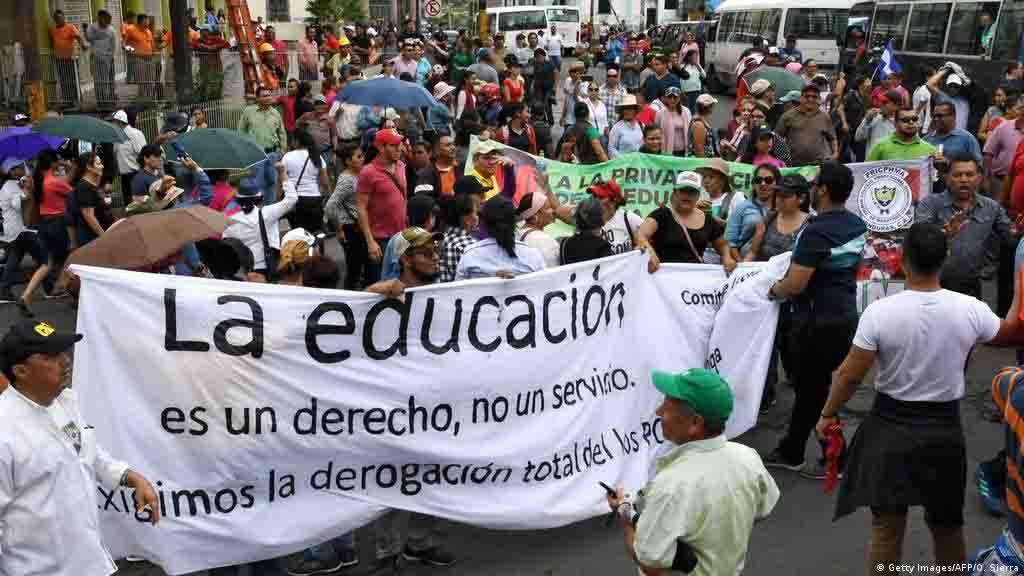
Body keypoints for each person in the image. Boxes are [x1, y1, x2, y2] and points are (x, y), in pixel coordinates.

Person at [816, 222, 1024, 572]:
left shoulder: (880, 312)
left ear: (903, 260)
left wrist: (827, 414)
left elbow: (850, 374)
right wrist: (1019, 287)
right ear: (944, 260)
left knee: (887, 526)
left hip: (889, 427)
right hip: (943, 431)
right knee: (946, 526)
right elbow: (1010, 333)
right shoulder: (969, 309)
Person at [0, 319, 161, 575]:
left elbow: (88, 454)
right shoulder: (5, 431)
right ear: (20, 371)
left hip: (92, 563)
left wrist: (130, 477)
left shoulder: (64, 403)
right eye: (50, 356)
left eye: (64, 351)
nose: (65, 361)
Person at [606, 368, 779, 575]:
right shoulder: (748, 458)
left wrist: (626, 518)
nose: (659, 412)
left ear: (695, 423)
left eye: (667, 407)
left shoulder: (671, 486)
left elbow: (650, 564)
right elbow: (762, 508)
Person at [765, 163, 867, 479]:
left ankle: (833, 457)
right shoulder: (857, 224)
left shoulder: (815, 231)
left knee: (813, 391)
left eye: (814, 184)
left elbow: (795, 285)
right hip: (845, 317)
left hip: (814, 322)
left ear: (821, 190)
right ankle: (792, 449)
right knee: (816, 388)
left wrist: (773, 290)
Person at [746, 174, 810, 410]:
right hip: (767, 296)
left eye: (786, 195)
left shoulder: (810, 225)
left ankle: (797, 379)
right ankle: (764, 395)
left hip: (794, 297)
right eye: (778, 194)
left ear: (801, 198)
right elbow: (754, 251)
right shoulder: (769, 219)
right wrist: (740, 276)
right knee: (767, 347)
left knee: (791, 345)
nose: (780, 198)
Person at [916, 154, 1018, 299]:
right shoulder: (930, 204)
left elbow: (1009, 237)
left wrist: (1018, 233)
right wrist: (943, 234)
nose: (964, 179)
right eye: (957, 175)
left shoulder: (991, 207)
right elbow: (919, 239)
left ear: (979, 177)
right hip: (934, 285)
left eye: (969, 174)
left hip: (974, 286)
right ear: (947, 177)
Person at [636, 171, 736, 273]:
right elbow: (640, 234)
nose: (687, 195)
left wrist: (727, 257)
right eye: (683, 190)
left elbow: (723, 245)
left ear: (698, 195)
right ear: (675, 192)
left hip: (693, 281)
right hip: (662, 279)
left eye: (691, 192)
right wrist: (649, 251)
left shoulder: (707, 219)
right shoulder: (661, 214)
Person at [222, 165, 298, 280]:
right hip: (266, 266)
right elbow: (292, 198)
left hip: (243, 270)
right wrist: (282, 173)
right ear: (259, 198)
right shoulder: (266, 213)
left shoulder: (228, 220)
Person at [358, 129, 408, 285]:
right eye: (394, 145)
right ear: (381, 147)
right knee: (380, 285)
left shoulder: (400, 166)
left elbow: (403, 199)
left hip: (401, 237)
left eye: (399, 144)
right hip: (380, 240)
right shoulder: (368, 172)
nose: (399, 148)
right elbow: (361, 208)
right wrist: (370, 241)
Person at [456, 196, 545, 280]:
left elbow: (458, 291)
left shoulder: (471, 255)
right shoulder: (533, 255)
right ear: (514, 222)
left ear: (484, 223)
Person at [0, 160, 45, 303]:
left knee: (14, 259)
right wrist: (26, 191)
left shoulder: (13, 184)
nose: (23, 169)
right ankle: (51, 288)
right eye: (20, 167)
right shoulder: (9, 186)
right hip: (19, 230)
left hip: (17, 230)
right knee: (45, 259)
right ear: (11, 170)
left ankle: (4, 291)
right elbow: (17, 204)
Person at [238, 87, 288, 204]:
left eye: (269, 95)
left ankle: (268, 208)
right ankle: (256, 211)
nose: (268, 98)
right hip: (256, 154)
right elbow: (241, 131)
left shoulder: (275, 113)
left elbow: (282, 132)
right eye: (264, 96)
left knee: (272, 181)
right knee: (257, 183)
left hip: (273, 153)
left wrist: (282, 149)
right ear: (257, 98)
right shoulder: (248, 111)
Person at [775, 83, 838, 166]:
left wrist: (835, 154)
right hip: (794, 164)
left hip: (819, 165)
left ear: (819, 99)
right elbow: (776, 138)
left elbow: (832, 138)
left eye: (814, 97)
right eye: (807, 96)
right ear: (801, 98)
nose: (810, 99)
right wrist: (781, 158)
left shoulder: (824, 117)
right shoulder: (788, 116)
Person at [726, 163, 777, 261]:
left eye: (768, 180)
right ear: (753, 184)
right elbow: (730, 242)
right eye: (758, 180)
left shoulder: (783, 209)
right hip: (745, 263)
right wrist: (742, 266)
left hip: (774, 266)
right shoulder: (743, 207)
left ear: (777, 184)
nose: (763, 184)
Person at [283, 129, 329, 234]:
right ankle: (318, 250)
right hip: (314, 199)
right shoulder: (317, 156)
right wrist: (323, 195)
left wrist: (278, 199)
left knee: (299, 234)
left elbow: (282, 180)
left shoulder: (287, 157)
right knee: (316, 232)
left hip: (295, 200)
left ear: (297, 141)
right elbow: (325, 182)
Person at [66, 151, 113, 248]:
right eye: (98, 164)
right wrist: (104, 236)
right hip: (92, 239)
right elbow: (89, 216)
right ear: (89, 167)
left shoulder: (91, 185)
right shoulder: (84, 187)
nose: (102, 166)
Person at [867, 107, 938, 161]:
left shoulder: (930, 150)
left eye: (914, 119)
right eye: (905, 120)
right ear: (895, 123)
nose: (911, 122)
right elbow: (865, 171)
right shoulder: (880, 146)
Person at [49, 9, 88, 108]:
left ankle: (76, 99)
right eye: (58, 18)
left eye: (61, 18)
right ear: (55, 20)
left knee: (73, 79)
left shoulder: (70, 27)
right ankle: (67, 100)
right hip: (59, 59)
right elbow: (52, 42)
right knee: (63, 80)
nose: (60, 20)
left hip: (70, 58)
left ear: (64, 18)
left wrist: (83, 45)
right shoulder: (53, 30)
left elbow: (78, 37)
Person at [109, 110, 146, 202]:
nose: (111, 124)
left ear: (119, 121)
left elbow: (144, 154)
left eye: (113, 121)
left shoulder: (135, 134)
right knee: (128, 205)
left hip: (136, 175)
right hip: (124, 177)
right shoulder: (116, 136)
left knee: (138, 205)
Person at [855, 90, 901, 156]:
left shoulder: (903, 122)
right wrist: (867, 121)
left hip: (892, 163)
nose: (881, 104)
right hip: (874, 163)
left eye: (885, 102)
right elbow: (858, 137)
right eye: (881, 101)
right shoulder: (873, 118)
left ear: (896, 105)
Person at [85, 10, 115, 109]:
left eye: (109, 19)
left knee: (106, 81)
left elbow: (113, 45)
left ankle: (107, 101)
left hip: (107, 60)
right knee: (98, 81)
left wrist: (110, 57)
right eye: (106, 19)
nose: (108, 21)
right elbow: (88, 38)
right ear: (100, 18)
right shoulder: (92, 27)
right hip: (96, 59)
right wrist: (85, 30)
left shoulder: (111, 30)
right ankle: (100, 102)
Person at [927, 68, 971, 132]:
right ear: (947, 86)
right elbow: (929, 84)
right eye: (951, 85)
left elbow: (970, 83)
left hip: (961, 137)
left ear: (960, 87)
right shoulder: (942, 97)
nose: (953, 88)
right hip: (945, 135)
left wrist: (961, 74)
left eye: (956, 86)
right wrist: (946, 69)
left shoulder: (965, 100)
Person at [655, 86, 691, 157]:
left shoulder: (686, 111)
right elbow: (656, 131)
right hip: (666, 150)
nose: (672, 100)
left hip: (684, 150)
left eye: (675, 97)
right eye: (669, 97)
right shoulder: (660, 113)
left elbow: (690, 129)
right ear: (665, 98)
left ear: (679, 98)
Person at [687, 93, 718, 158]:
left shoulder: (702, 122)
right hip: (701, 164)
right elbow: (699, 150)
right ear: (708, 107)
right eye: (712, 105)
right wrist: (703, 167)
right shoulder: (699, 125)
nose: (713, 107)